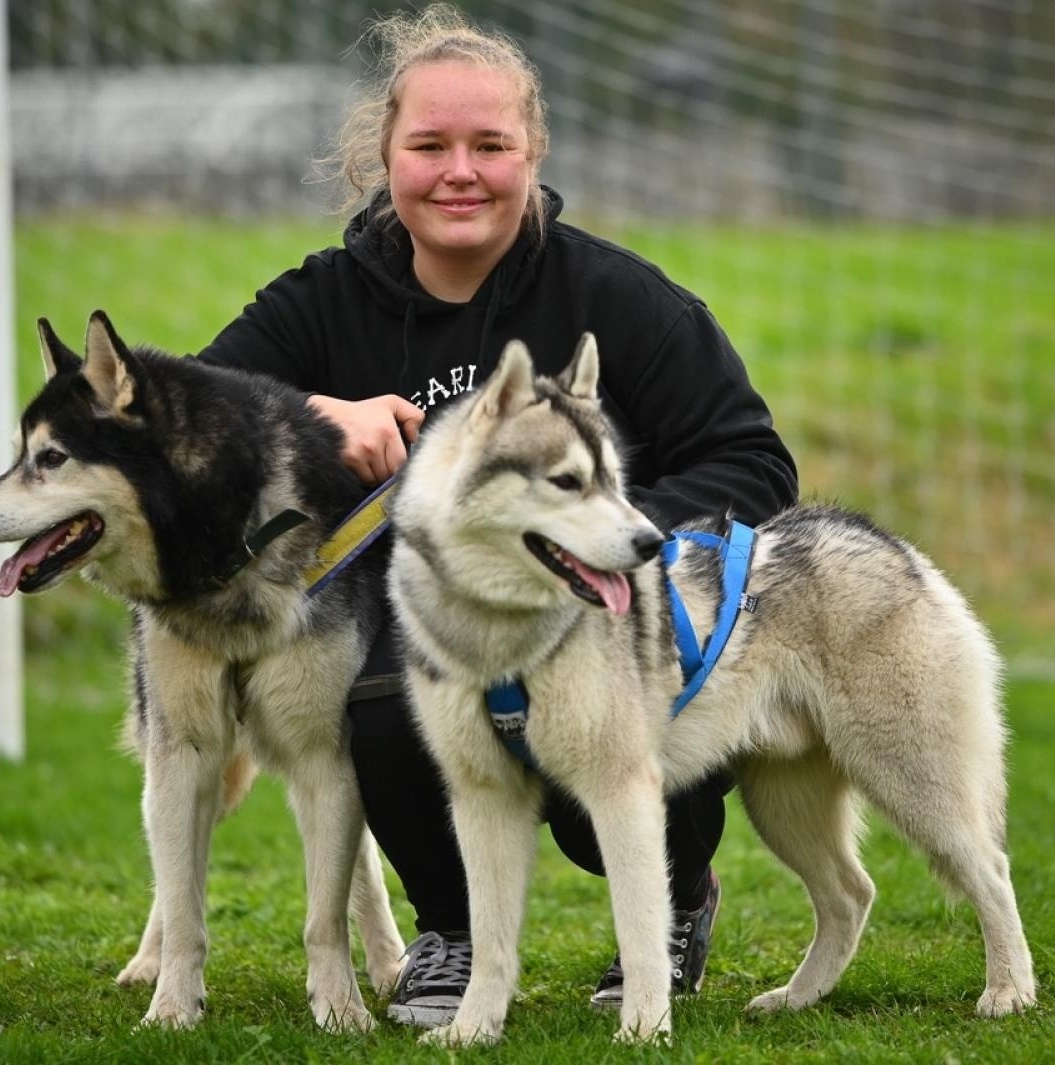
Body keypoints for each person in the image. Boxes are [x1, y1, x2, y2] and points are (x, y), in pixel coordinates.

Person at [197, 3, 797, 1026]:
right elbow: (190, 430)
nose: (459, 171)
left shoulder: (620, 297)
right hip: (426, 645)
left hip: (609, 627)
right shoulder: (323, 302)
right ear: (381, 158)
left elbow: (753, 460)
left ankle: (676, 901)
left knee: (663, 678)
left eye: (491, 145)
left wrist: (589, 536)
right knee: (380, 688)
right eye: (428, 145)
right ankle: (453, 931)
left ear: (533, 154)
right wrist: (315, 420)